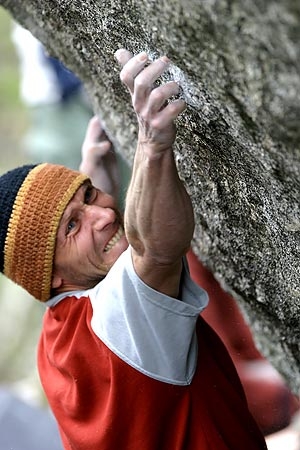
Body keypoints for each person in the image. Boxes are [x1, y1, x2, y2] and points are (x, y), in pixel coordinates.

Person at [0, 49, 267, 449]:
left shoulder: (55, 342)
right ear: (51, 276)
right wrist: (152, 142)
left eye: (89, 195)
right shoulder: (116, 323)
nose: (103, 216)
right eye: (73, 225)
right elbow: (155, 250)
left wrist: (87, 188)